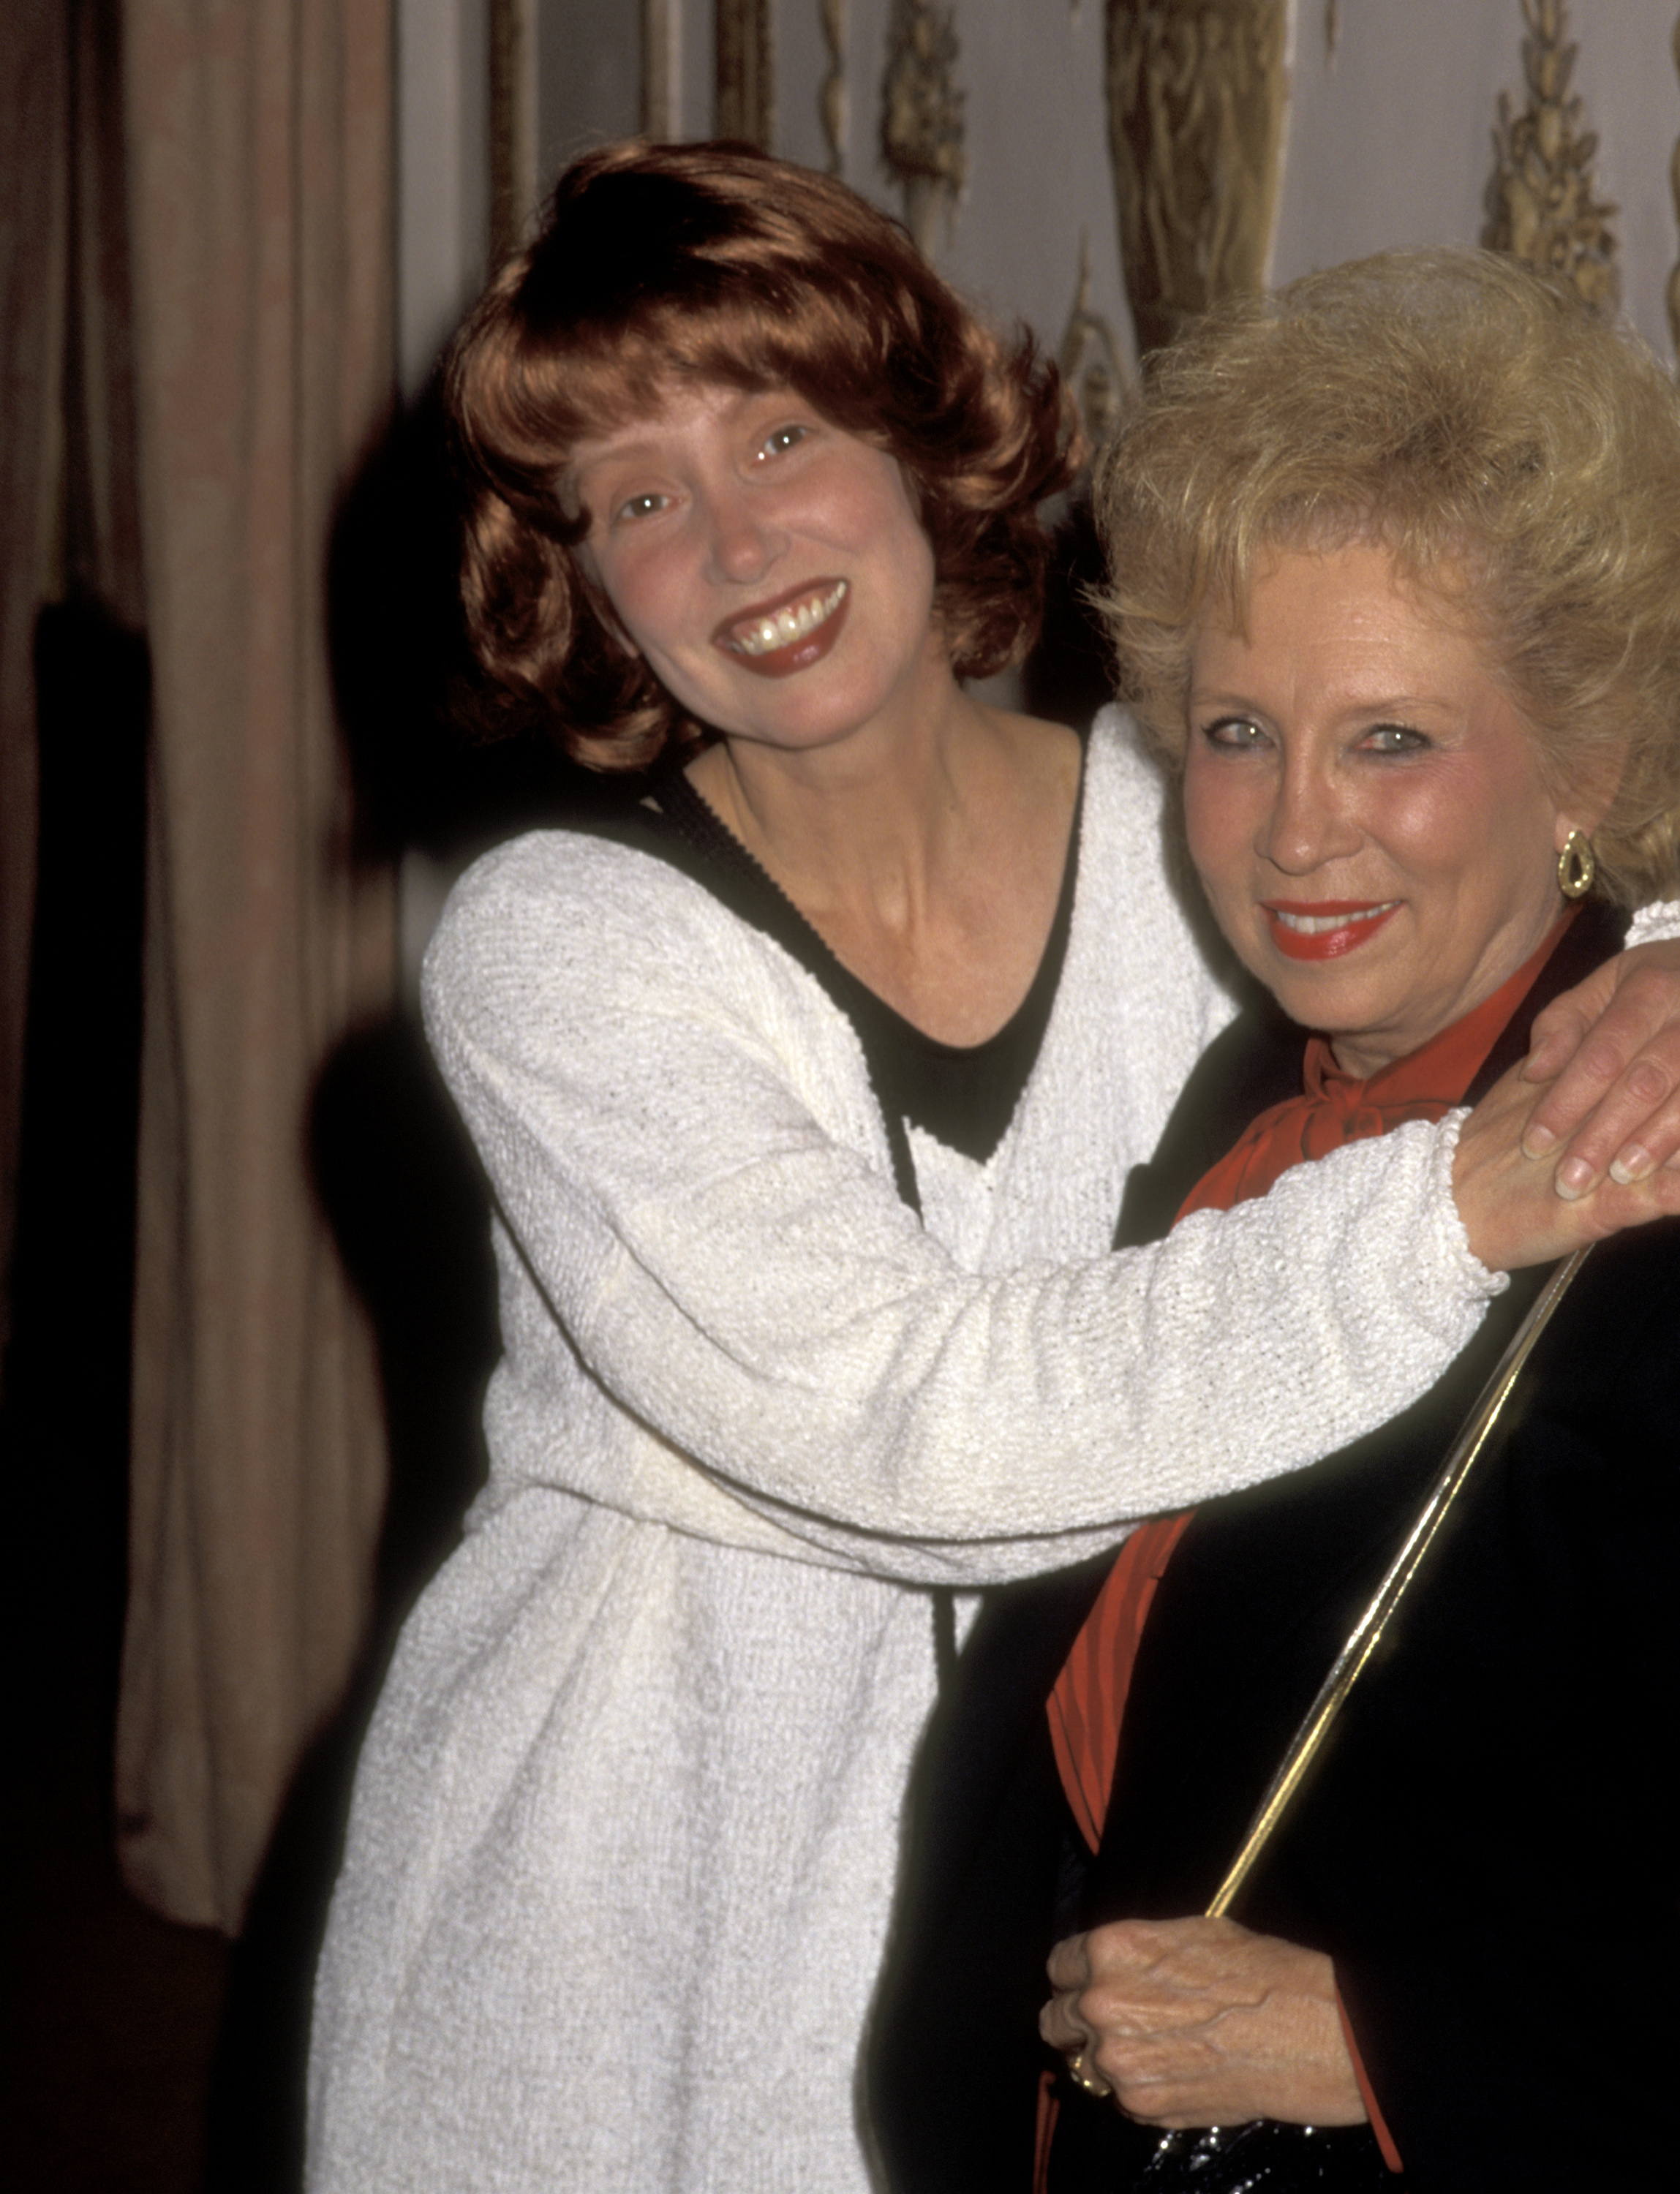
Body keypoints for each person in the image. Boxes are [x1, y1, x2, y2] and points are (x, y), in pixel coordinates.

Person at [305, 149, 1680, 2194]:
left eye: (776, 432)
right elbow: (915, 1420)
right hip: (659, 1854)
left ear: (911, 440)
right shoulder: (557, 938)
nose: (736, 539)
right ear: (577, 578)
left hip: (1045, 1855)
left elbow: (1508, 762)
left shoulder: (1183, 804)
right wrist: (1461, 1205)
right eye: (637, 499)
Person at [871, 246, 1680, 2194]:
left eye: (1391, 737)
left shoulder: (1645, 1176)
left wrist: (1376, 2032)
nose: (1295, 834)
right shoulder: (1274, 1080)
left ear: (1579, 758)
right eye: (1236, 732)